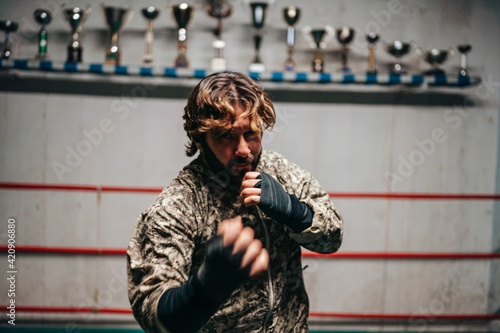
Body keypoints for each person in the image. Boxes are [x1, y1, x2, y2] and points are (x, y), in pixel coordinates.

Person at [127, 71, 343, 333]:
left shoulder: (282, 172)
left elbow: (332, 240)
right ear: (199, 138)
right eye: (226, 135)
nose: (243, 149)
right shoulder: (179, 205)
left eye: (251, 133)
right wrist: (207, 286)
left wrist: (293, 211)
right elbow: (155, 316)